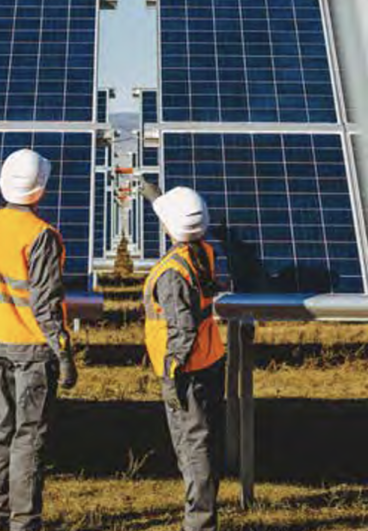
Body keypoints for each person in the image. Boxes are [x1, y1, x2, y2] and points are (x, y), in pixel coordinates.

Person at [0, 148, 78, 531]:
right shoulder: (42, 236)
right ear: (40, 189)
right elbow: (46, 305)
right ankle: (24, 522)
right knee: (28, 439)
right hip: (33, 351)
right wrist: (64, 354)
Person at [141, 182, 226, 531]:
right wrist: (153, 195)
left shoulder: (172, 273)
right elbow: (180, 216)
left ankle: (199, 523)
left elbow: (183, 328)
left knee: (193, 447)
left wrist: (172, 371)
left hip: (186, 370)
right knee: (202, 440)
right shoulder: (201, 251)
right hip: (208, 360)